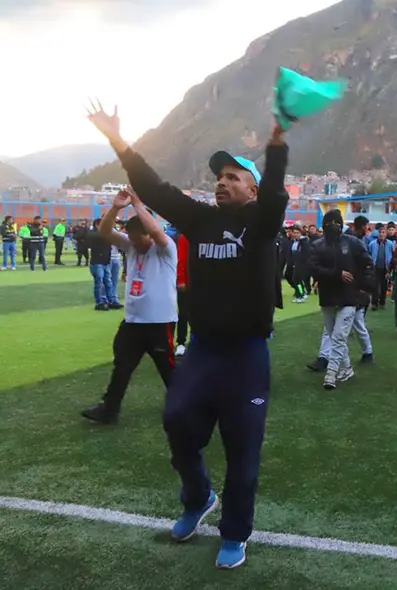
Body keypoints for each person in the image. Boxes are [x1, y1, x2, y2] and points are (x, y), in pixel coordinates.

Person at [87, 98, 291, 569]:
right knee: (177, 420)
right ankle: (198, 497)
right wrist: (116, 139)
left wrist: (276, 148)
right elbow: (152, 187)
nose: (222, 181)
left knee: (242, 449)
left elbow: (278, 196)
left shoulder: (261, 223)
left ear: (252, 189)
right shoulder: (200, 220)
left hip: (246, 354)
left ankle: (235, 534)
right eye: (219, 176)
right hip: (202, 349)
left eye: (233, 176)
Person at [81, 189, 178, 424]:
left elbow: (155, 229)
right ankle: (109, 409)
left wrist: (137, 203)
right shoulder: (131, 246)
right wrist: (115, 208)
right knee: (122, 366)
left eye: (140, 238)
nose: (136, 243)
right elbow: (105, 232)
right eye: (132, 238)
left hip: (159, 321)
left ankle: (184, 405)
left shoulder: (165, 249)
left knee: (168, 368)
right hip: (133, 321)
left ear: (150, 235)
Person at [309, 208, 375, 389]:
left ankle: (331, 374)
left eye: (337, 223)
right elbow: (313, 268)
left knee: (338, 337)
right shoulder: (317, 245)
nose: (333, 226)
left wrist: (364, 289)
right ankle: (346, 369)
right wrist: (337, 274)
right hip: (328, 297)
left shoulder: (353, 243)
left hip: (349, 297)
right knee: (333, 335)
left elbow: (368, 264)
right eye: (329, 223)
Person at [368, 224, 394, 310]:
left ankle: (382, 301)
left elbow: (393, 256)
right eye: (380, 232)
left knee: (384, 286)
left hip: (385, 268)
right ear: (377, 234)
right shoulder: (372, 244)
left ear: (386, 234)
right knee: (375, 286)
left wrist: (389, 270)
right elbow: (369, 254)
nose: (381, 234)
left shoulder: (390, 244)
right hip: (375, 267)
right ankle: (374, 303)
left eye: (383, 232)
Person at [175, 233, 190, 356]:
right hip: (188, 282)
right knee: (184, 313)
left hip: (204, 282)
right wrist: (181, 279)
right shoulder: (185, 237)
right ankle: (181, 343)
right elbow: (181, 259)